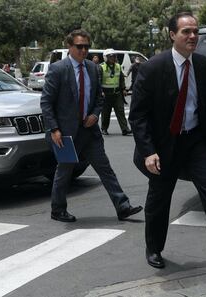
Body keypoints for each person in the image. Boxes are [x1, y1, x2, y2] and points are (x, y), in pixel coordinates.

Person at [129, 12, 206, 281]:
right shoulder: (152, 68)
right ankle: (154, 247)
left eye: (195, 31)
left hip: (196, 141)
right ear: (172, 35)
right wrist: (149, 150)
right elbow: (137, 115)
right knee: (159, 199)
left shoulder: (204, 66)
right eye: (186, 31)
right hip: (163, 145)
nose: (193, 36)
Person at [41, 29, 142, 223]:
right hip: (66, 134)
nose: (83, 50)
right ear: (69, 47)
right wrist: (54, 129)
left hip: (89, 131)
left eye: (86, 46)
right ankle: (58, 209)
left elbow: (98, 98)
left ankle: (122, 206)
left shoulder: (93, 69)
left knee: (105, 169)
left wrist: (95, 115)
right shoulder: (58, 69)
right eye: (79, 46)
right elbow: (46, 102)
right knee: (65, 171)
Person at [100, 48, 132, 136]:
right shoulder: (101, 67)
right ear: (105, 57)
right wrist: (100, 91)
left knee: (120, 111)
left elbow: (121, 79)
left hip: (117, 93)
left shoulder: (118, 66)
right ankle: (104, 129)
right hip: (106, 94)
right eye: (111, 57)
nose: (113, 58)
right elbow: (98, 80)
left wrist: (124, 89)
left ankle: (125, 129)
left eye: (114, 56)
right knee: (106, 113)